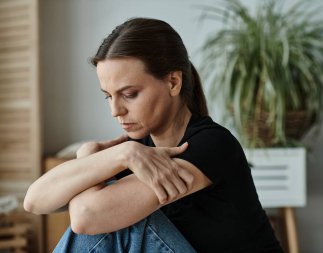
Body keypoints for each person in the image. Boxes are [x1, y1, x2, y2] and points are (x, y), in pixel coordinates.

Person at [24, 18, 283, 253]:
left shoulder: (212, 145)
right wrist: (112, 154)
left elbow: (85, 218)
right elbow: (35, 201)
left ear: (173, 82)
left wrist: (108, 160)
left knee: (119, 222)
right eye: (108, 96)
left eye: (129, 94)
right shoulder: (136, 151)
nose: (115, 110)